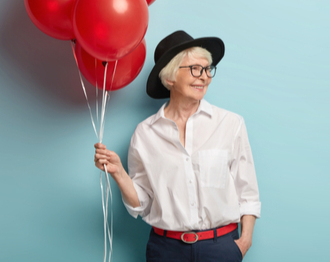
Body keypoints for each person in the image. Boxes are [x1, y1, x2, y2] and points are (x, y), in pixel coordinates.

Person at [93, 30, 260, 262]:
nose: (204, 77)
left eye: (207, 69)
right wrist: (119, 173)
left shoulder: (230, 124)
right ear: (170, 77)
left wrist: (243, 243)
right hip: (166, 250)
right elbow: (141, 204)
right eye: (195, 69)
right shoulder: (145, 134)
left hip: (220, 248)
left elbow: (247, 191)